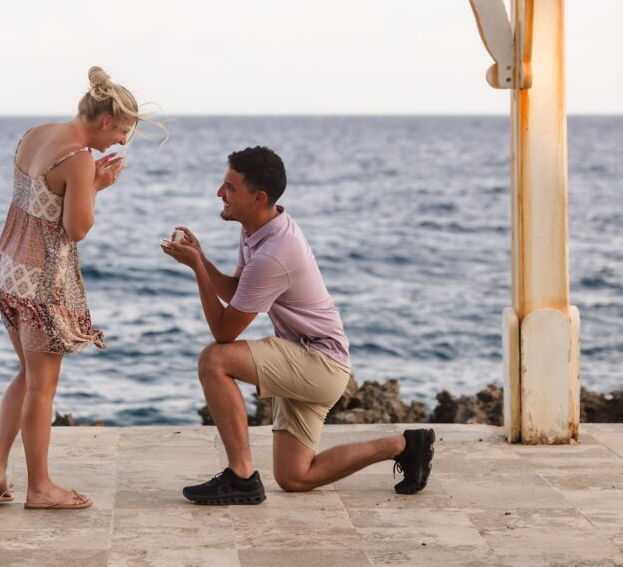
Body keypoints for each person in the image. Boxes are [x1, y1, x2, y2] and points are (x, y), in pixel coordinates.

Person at [161, 146, 434, 504]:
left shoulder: (275, 251)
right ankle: (405, 445)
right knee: (295, 478)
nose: (219, 193)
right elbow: (239, 292)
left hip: (318, 362)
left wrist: (197, 269)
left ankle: (241, 476)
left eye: (229, 187)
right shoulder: (258, 229)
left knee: (214, 359)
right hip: (309, 358)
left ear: (258, 197)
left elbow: (224, 333)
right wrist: (202, 260)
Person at [0, 66, 148, 510]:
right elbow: (76, 228)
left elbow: (39, 199)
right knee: (42, 387)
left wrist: (87, 183)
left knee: (27, 374)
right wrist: (95, 185)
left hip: (5, 272)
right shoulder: (79, 158)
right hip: (40, 286)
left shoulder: (35, 133)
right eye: (124, 132)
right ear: (107, 121)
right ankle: (40, 487)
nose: (121, 142)